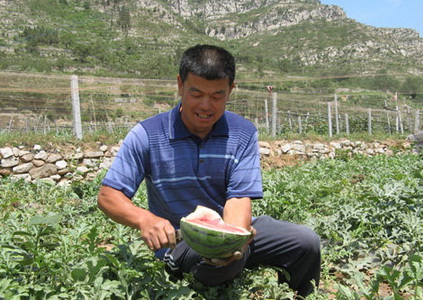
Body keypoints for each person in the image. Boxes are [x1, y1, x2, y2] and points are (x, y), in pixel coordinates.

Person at [97, 44, 321, 298]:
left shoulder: (243, 132)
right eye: (196, 93)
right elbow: (108, 195)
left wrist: (233, 237)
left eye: (217, 96)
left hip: (233, 229)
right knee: (220, 265)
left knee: (305, 242)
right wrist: (145, 219)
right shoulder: (148, 134)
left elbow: (238, 197)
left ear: (231, 90)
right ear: (180, 85)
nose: (205, 106)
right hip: (181, 243)